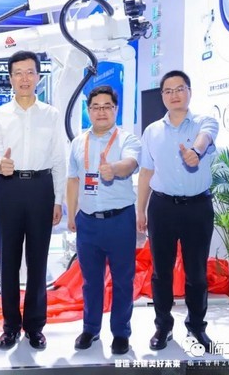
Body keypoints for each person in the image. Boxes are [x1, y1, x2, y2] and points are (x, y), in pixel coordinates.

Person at [0, 50, 66, 350]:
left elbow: (58, 158)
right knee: (8, 260)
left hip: (41, 188)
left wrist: (57, 200)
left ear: (38, 76)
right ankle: (10, 326)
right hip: (8, 187)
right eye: (18, 73)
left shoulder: (51, 115)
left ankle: (34, 326)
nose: (24, 78)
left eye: (30, 72)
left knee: (38, 259)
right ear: (10, 78)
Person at [136, 70, 219, 352]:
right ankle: (163, 327)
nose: (174, 95)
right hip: (162, 208)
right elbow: (146, 172)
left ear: (189, 92)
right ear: (162, 96)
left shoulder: (204, 122)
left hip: (198, 208)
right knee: (161, 273)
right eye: (168, 91)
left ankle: (196, 326)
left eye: (180, 89)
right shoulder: (152, 131)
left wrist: (195, 152)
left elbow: (205, 139)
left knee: (197, 273)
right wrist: (140, 211)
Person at [66, 85, 140, 355]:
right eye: (95, 107)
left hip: (119, 221)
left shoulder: (127, 139)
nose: (101, 112)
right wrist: (72, 213)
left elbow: (131, 163)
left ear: (115, 109)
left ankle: (120, 333)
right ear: (88, 111)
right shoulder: (78, 142)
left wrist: (113, 169)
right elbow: (73, 179)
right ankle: (90, 329)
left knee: (122, 280)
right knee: (90, 281)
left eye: (107, 106)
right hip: (87, 222)